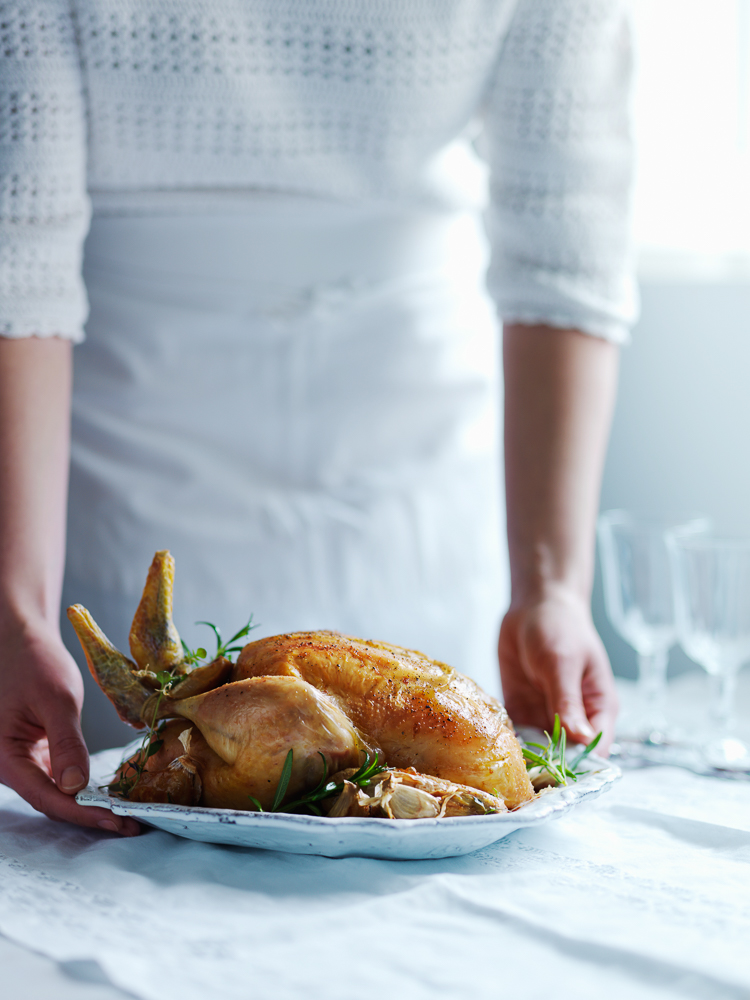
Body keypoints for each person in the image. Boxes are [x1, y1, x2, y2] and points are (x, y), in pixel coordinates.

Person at [0, 0, 636, 836]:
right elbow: (19, 255)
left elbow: (567, 240)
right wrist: (16, 608)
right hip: (120, 454)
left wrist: (552, 586)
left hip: (418, 473)